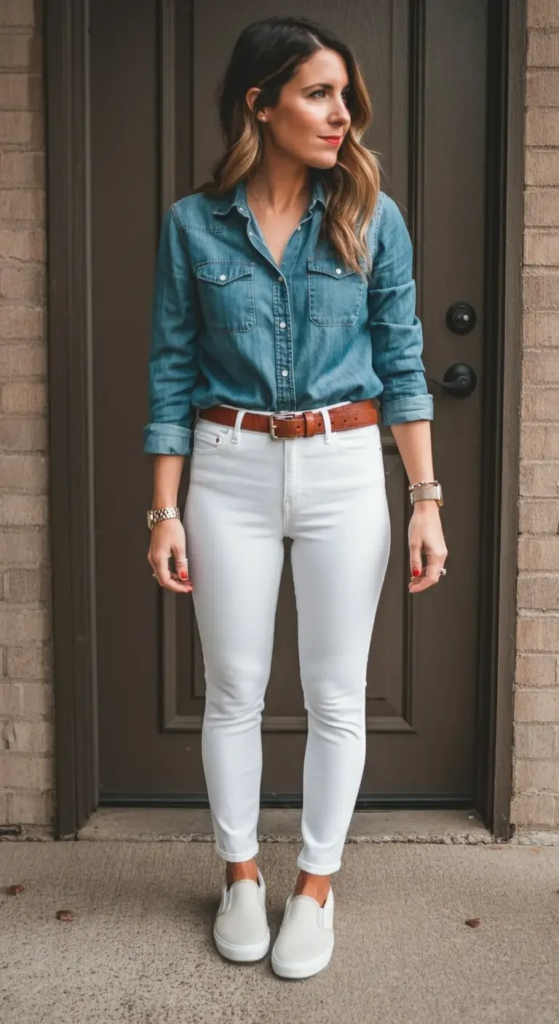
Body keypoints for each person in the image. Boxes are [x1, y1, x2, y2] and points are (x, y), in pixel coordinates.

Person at [143, 15, 448, 980]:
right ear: (259, 103)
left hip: (344, 467)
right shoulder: (192, 225)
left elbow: (401, 364)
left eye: (344, 94)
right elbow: (170, 369)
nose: (340, 112)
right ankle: (239, 876)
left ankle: (314, 886)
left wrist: (425, 498)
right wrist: (165, 509)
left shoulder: (371, 217)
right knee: (231, 689)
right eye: (318, 92)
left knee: (333, 694)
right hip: (226, 466)